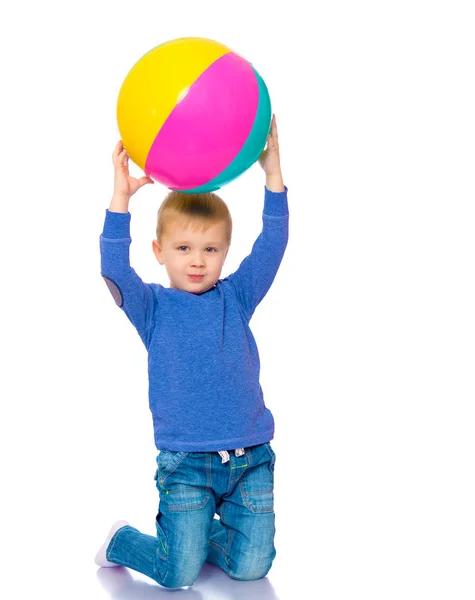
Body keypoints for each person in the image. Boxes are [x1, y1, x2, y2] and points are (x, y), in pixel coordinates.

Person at [94, 115, 288, 589]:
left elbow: (273, 244)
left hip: (250, 457)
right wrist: (121, 197)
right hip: (185, 462)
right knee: (177, 574)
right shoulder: (154, 308)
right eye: (183, 248)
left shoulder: (237, 297)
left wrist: (273, 172)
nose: (197, 260)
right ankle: (124, 541)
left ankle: (200, 536)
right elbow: (115, 269)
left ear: (225, 252)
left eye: (210, 249)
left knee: (252, 567)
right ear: (159, 251)